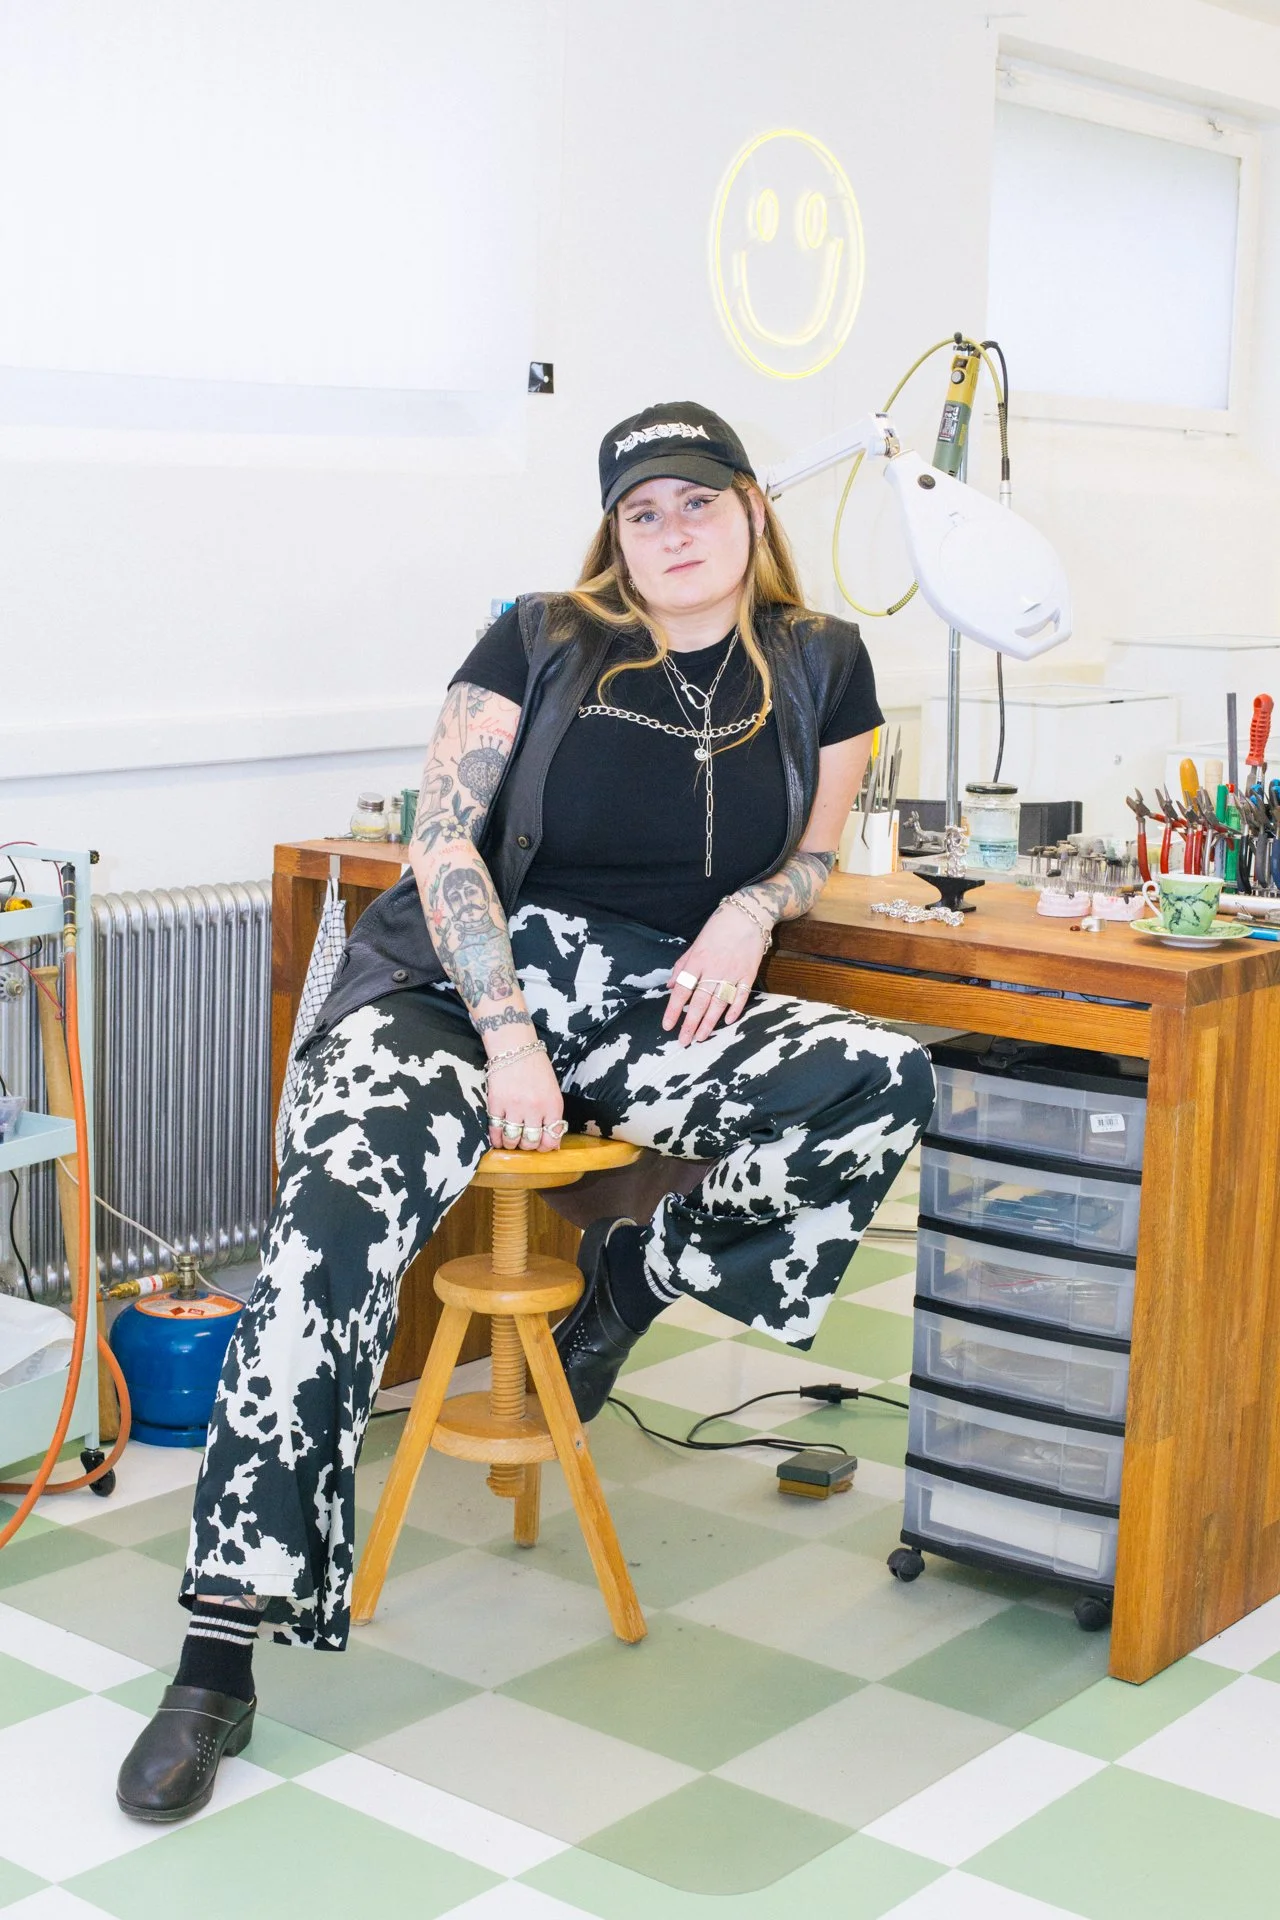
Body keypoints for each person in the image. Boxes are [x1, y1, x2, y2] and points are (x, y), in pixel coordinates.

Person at [116, 399, 936, 1821]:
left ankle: (627, 1274)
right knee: (324, 1258)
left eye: (697, 500)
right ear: (614, 533)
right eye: (643, 510)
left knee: (879, 1078)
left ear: (753, 508)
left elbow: (814, 852)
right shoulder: (543, 637)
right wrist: (503, 1032)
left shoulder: (824, 664)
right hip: (456, 986)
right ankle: (216, 1655)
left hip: (653, 1000)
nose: (672, 530)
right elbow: (442, 837)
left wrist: (754, 908)